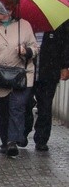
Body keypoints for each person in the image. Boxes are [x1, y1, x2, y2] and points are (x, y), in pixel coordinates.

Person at [0, 0, 39, 157]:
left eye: (2, 8)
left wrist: (26, 51)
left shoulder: (24, 25)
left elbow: (35, 48)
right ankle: (5, 140)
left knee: (17, 107)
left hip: (22, 74)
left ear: (10, 10)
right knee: (3, 110)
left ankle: (12, 141)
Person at [23, 19, 68, 151]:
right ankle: (24, 131)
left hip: (49, 72)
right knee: (25, 104)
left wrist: (65, 66)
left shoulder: (58, 23)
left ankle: (41, 139)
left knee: (45, 106)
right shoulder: (25, 23)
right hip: (27, 73)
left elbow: (65, 43)